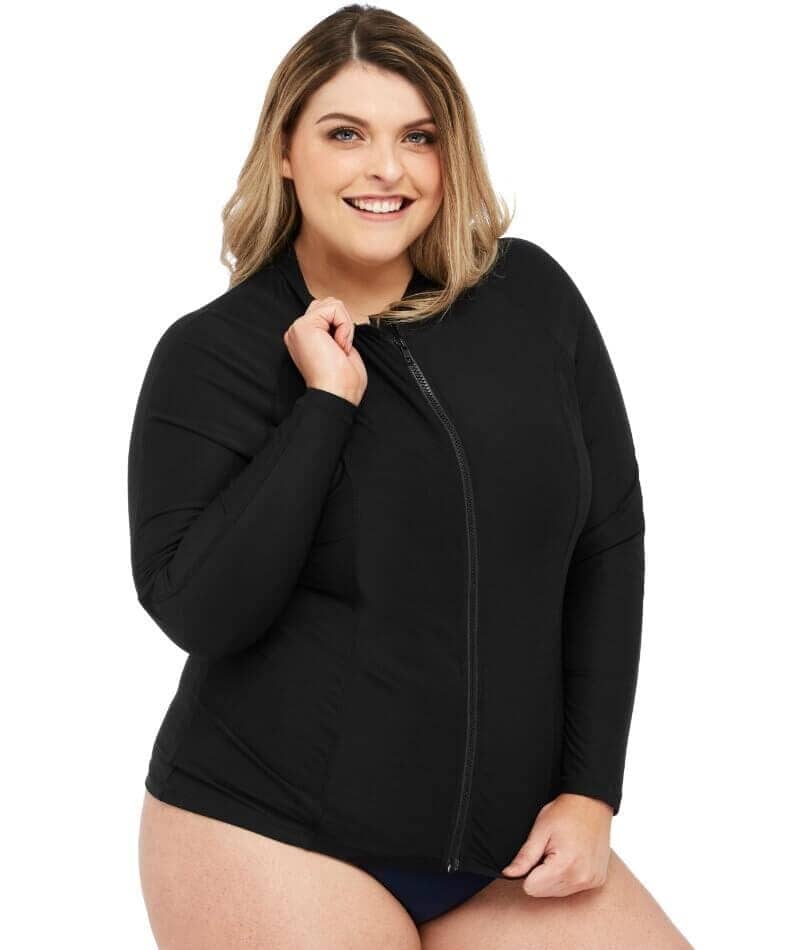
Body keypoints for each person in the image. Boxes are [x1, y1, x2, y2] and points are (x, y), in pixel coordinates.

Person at [129, 5, 692, 947]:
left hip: (505, 847)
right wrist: (324, 406)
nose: (386, 168)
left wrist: (592, 790)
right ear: (285, 151)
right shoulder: (214, 354)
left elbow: (607, 542)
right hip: (270, 830)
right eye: (346, 134)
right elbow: (200, 610)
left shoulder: (532, 300)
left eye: (418, 137)